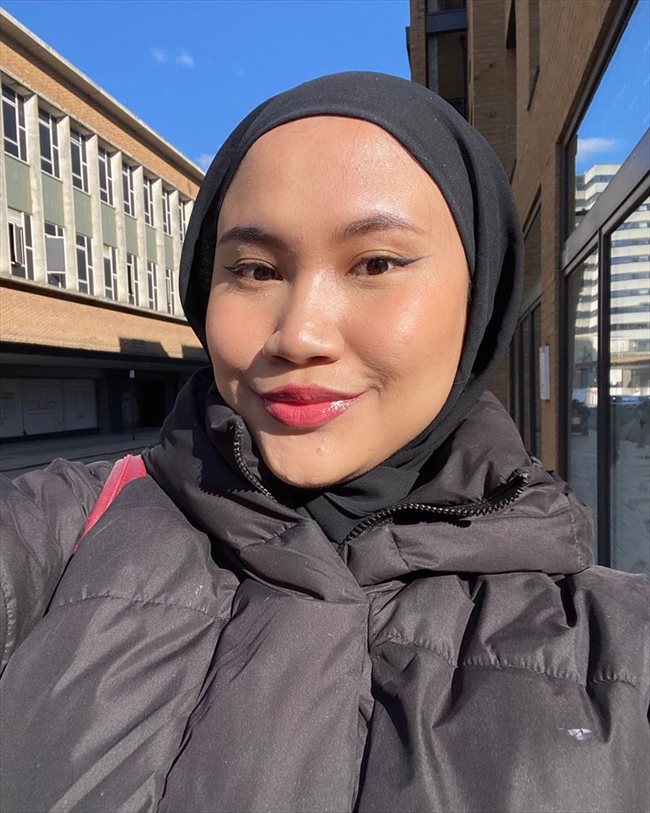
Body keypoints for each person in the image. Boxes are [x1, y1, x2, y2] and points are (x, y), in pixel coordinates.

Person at [0, 73, 647, 813]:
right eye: (255, 270)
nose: (300, 334)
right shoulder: (62, 529)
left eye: (376, 263)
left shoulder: (620, 650)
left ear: (481, 296)